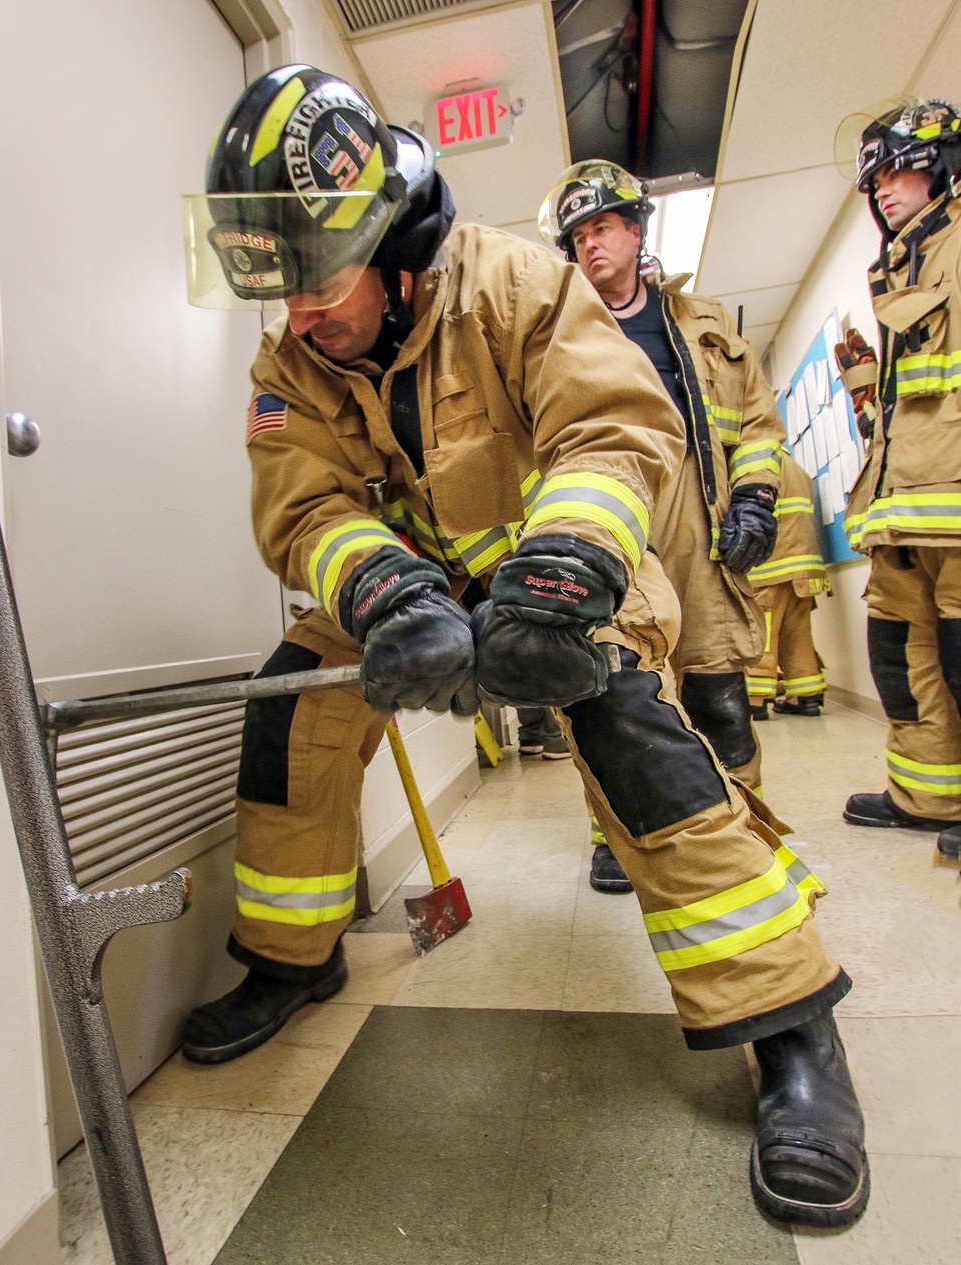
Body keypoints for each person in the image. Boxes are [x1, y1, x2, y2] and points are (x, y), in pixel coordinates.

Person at [181, 65, 868, 1228]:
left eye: (313, 276)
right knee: (288, 704)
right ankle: (292, 958)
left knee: (635, 736)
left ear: (391, 238)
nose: (296, 313)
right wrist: (387, 590)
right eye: (275, 282)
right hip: (408, 590)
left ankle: (792, 1026)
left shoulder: (515, 282)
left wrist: (558, 579)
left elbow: (613, 429)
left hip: (566, 568)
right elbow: (302, 509)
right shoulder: (290, 361)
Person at [538, 162, 785, 891]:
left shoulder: (701, 323)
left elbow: (760, 424)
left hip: (696, 521)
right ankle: (621, 836)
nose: (591, 245)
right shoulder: (556, 336)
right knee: (614, 689)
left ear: (635, 230)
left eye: (603, 227)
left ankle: (742, 821)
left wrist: (756, 498)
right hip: (611, 521)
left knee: (716, 690)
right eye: (578, 235)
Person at [834, 98, 961, 862]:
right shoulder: (899, 264)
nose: (883, 188)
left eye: (897, 170)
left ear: (942, 167)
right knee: (899, 655)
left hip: (953, 499)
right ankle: (928, 794)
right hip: (902, 505)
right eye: (874, 178)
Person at [745, 451, 829, 719]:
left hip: (772, 566)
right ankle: (806, 696)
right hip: (805, 567)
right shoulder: (797, 467)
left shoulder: (759, 465)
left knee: (761, 633)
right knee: (798, 633)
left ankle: (754, 700)